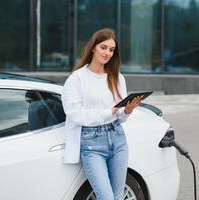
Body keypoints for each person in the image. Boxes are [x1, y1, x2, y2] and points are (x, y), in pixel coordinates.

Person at [61, 28, 142, 200]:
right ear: (93, 48)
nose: (107, 53)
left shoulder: (117, 78)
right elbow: (75, 114)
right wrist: (108, 112)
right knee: (106, 197)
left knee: (118, 196)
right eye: (103, 47)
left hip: (117, 138)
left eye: (111, 50)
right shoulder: (77, 79)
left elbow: (119, 116)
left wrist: (126, 111)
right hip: (91, 144)